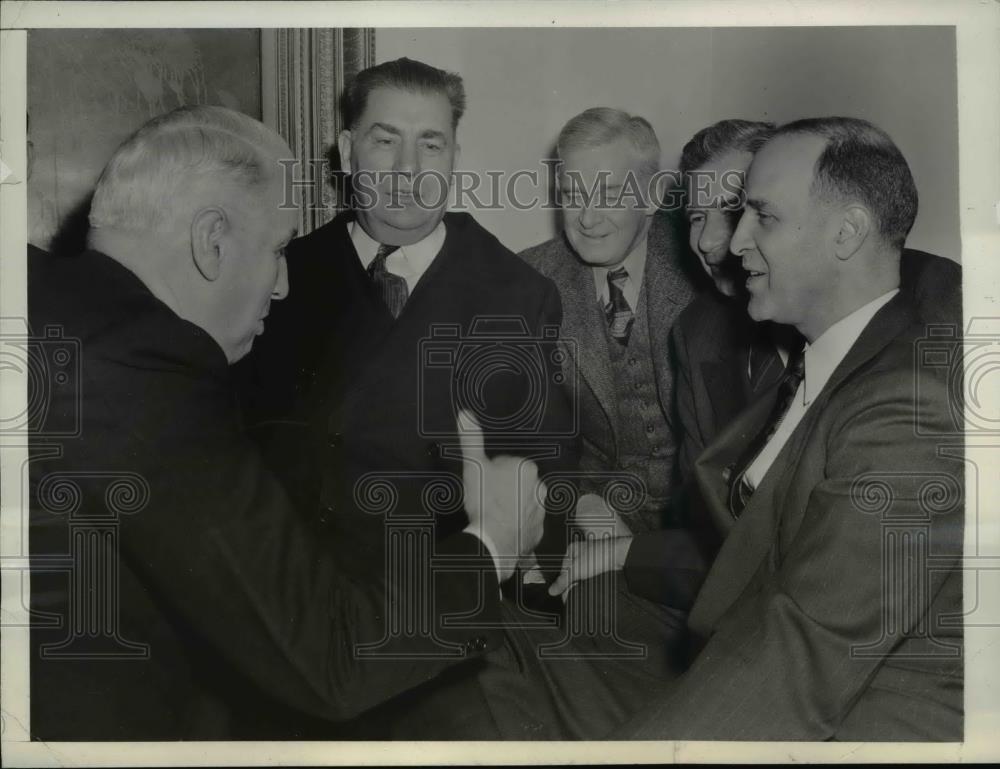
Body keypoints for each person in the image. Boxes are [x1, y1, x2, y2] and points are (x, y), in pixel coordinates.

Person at [28, 105, 548, 740]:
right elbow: (332, 662)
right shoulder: (149, 376)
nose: (281, 286)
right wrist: (491, 543)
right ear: (210, 240)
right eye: (276, 250)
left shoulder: (37, 294)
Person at [238, 57, 574, 737]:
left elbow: (543, 481)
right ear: (344, 151)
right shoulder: (276, 276)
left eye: (432, 143)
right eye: (386, 140)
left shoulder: (516, 295)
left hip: (433, 635)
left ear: (454, 156)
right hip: (286, 626)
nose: (408, 168)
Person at [621, 117, 964, 740]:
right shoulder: (803, 350)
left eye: (760, 215)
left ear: (847, 230)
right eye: (705, 216)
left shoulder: (910, 392)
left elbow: (807, 646)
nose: (724, 242)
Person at [672, 118, 962, 485]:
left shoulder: (936, 294)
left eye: (740, 210)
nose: (711, 242)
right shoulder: (695, 332)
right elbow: (700, 513)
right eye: (697, 217)